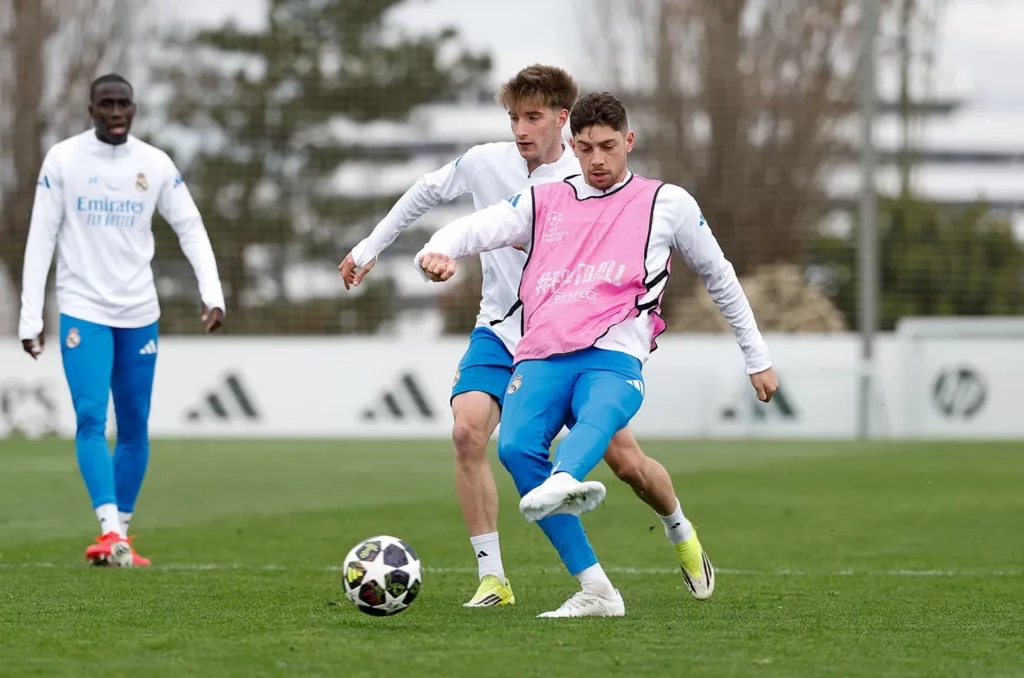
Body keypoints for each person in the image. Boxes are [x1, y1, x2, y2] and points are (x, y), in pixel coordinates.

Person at [340, 66, 713, 608]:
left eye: (533, 117)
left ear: (564, 120)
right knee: (469, 435)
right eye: (513, 116)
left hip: (574, 340)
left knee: (629, 466)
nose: (520, 129)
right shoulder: (484, 162)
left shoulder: (591, 175)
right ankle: (497, 579)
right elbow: (425, 194)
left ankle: (680, 530)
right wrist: (371, 248)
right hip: (500, 328)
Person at [415, 91, 778, 617]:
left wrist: (756, 355)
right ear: (572, 146)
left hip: (613, 353)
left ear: (629, 141)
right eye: (585, 149)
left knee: (621, 455)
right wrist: (440, 247)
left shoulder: (666, 202)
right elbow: (479, 226)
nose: (598, 161)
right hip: (542, 351)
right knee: (515, 451)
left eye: (608, 147)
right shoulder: (546, 200)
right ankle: (599, 591)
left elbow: (719, 275)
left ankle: (675, 528)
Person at [18, 73, 226, 567]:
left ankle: (120, 537)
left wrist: (212, 292)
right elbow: (40, 237)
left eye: (124, 104)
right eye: (106, 104)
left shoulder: (154, 164)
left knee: (134, 428)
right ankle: (110, 530)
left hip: (139, 311)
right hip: (83, 309)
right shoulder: (64, 160)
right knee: (91, 418)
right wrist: (30, 316)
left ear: (134, 110)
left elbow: (190, 227)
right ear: (90, 110)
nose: (116, 112)